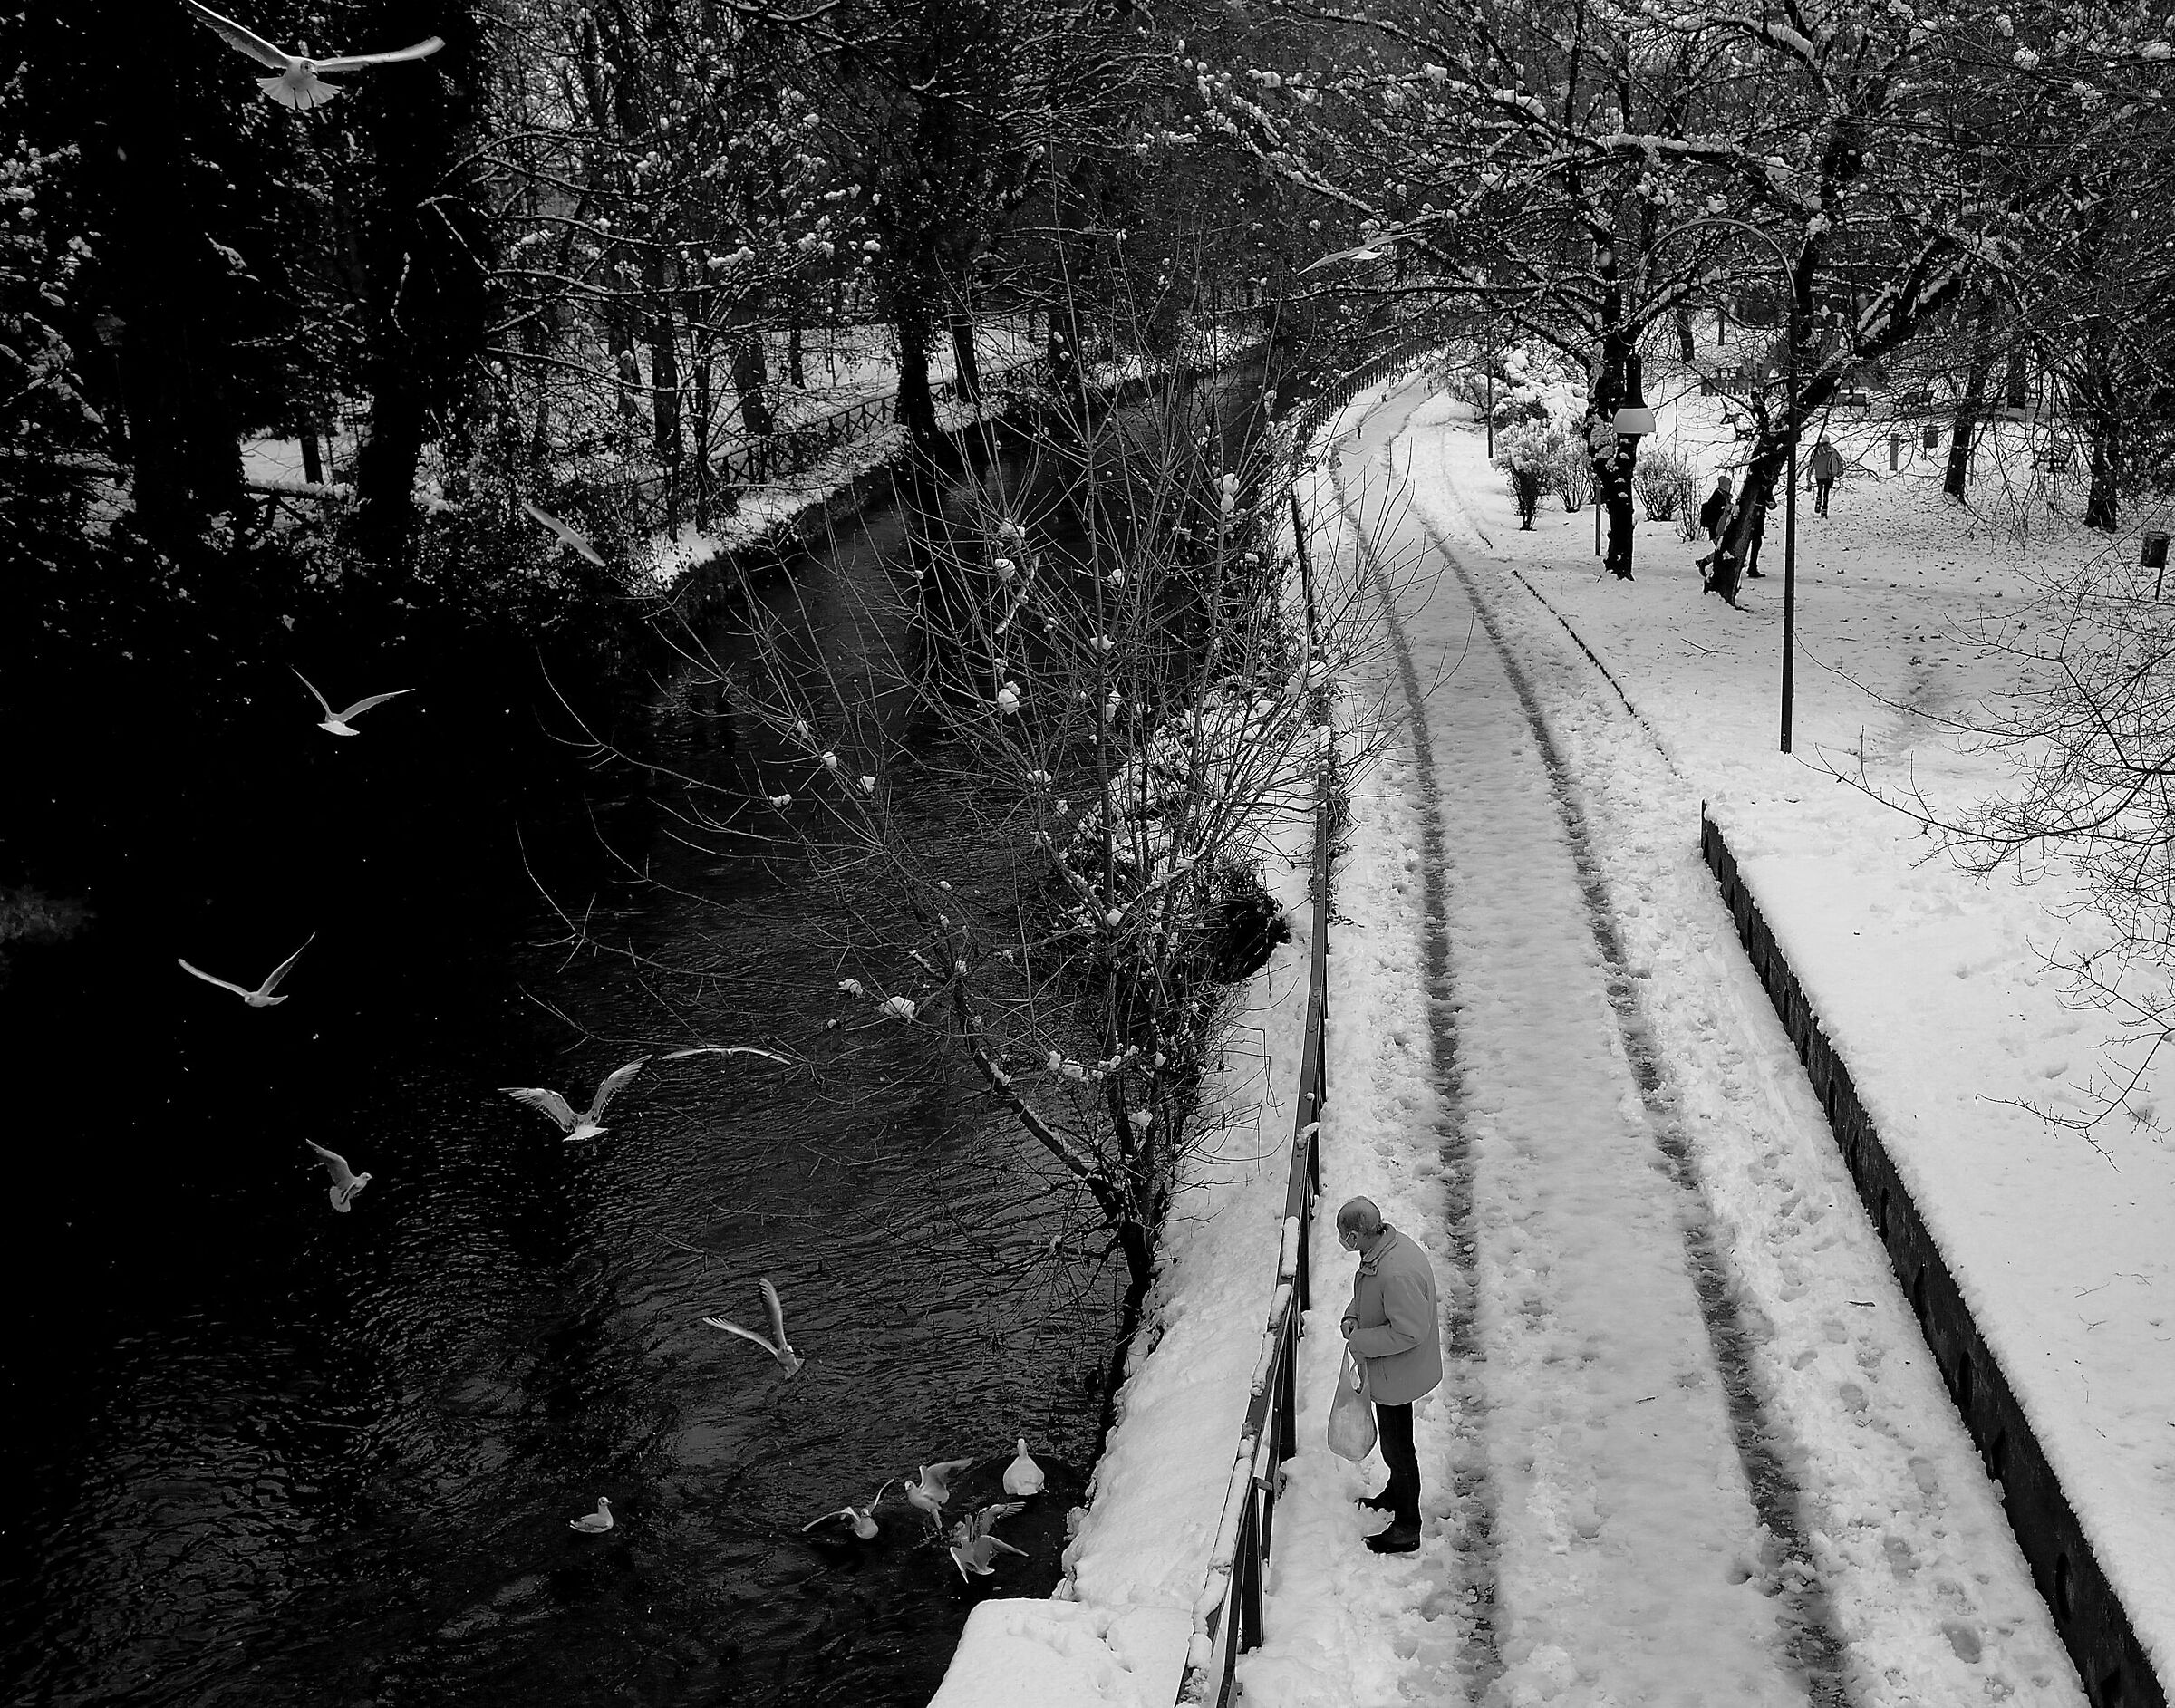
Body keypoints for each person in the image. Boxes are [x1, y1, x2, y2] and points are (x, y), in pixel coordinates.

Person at [1337, 1197, 1442, 1555]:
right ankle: (1396, 1495)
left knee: (1398, 1451)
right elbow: (1371, 1294)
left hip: (1398, 1373)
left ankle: (1407, 1527)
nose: (1341, 1241)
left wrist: (1361, 1341)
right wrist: (1353, 1315)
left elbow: (1409, 1331)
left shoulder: (1395, 1272)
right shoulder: (1384, 1250)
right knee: (1395, 1446)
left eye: (1342, 1234)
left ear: (1354, 1236)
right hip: (1394, 1370)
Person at [1809, 437, 1844, 516]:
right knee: (1826, 492)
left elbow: (1811, 463)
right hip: (1829, 475)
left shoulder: (1816, 451)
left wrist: (1808, 477)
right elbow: (1839, 459)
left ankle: (1818, 501)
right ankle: (1824, 509)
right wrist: (1840, 471)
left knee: (1820, 490)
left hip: (1819, 476)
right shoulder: (1832, 450)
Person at [1696, 473, 1734, 544]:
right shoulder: (1717, 497)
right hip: (1716, 530)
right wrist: (1726, 509)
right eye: (1729, 485)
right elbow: (1715, 513)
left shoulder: (1724, 497)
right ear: (1724, 486)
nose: (1730, 487)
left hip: (1719, 529)